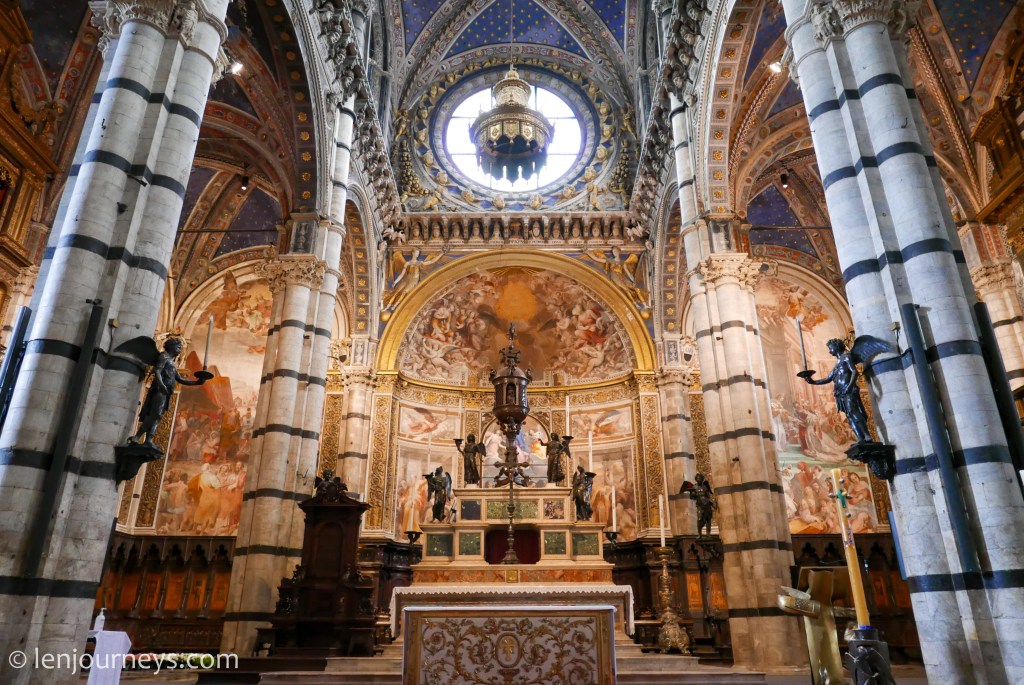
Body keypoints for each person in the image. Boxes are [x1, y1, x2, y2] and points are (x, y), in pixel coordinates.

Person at [129, 338, 208, 448]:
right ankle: (137, 437)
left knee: (158, 416)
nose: (180, 349)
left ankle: (148, 440)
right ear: (171, 346)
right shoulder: (164, 356)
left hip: (167, 392)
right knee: (155, 414)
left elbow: (180, 379)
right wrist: (161, 384)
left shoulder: (172, 363)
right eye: (178, 346)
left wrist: (198, 382)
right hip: (160, 390)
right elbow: (157, 370)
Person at [801, 338, 871, 443]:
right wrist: (812, 381)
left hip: (848, 390)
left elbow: (854, 372)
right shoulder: (837, 365)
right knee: (849, 416)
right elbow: (827, 379)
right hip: (840, 393)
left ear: (836, 347)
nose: (829, 351)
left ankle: (867, 435)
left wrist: (850, 386)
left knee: (854, 411)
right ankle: (861, 439)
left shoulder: (846, 357)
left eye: (830, 348)